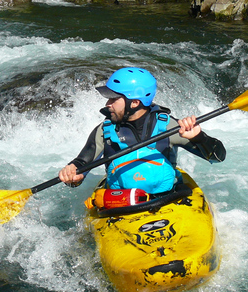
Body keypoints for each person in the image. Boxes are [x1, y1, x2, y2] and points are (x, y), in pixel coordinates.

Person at [58, 67, 226, 198]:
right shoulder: (105, 130)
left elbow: (217, 157)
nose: (108, 104)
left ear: (135, 102)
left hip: (167, 199)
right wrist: (73, 176)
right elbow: (81, 165)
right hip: (120, 202)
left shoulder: (168, 127)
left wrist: (199, 137)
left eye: (113, 99)